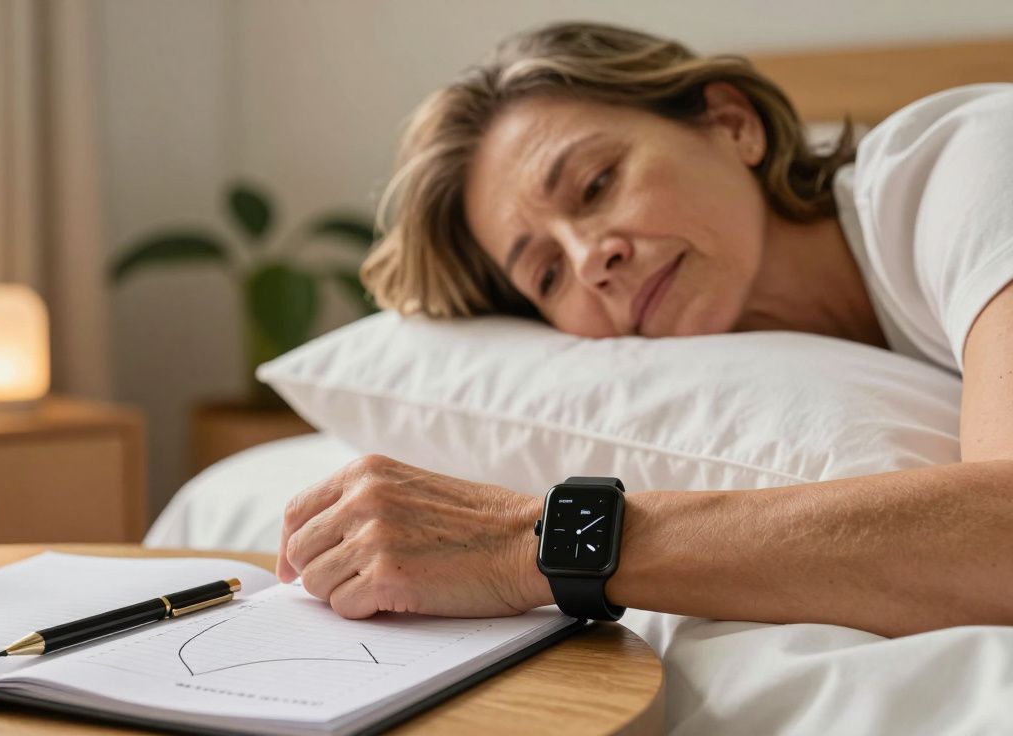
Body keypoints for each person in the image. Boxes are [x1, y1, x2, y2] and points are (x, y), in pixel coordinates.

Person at [274, 21, 1013, 638]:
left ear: (732, 123)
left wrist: (527, 543)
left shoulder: (972, 161)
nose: (593, 258)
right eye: (547, 276)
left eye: (597, 184)